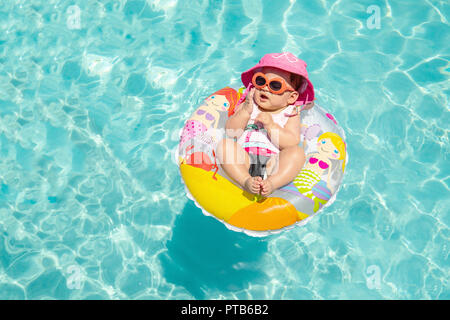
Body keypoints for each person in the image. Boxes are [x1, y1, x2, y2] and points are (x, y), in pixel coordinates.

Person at [216, 52, 315, 196]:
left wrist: (271, 126)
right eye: (261, 81)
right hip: (243, 158)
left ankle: (272, 183)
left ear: (291, 97)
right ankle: (245, 180)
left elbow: (291, 142)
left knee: (297, 153)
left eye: (275, 85)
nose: (265, 88)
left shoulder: (290, 112)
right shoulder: (249, 104)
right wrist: (245, 112)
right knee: (225, 145)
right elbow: (232, 131)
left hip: (273, 163)